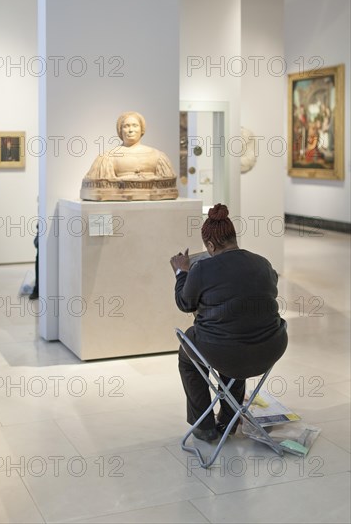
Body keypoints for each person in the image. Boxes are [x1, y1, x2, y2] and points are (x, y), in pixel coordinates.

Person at [170, 203, 288, 442]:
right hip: (269, 349)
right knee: (236, 334)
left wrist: (182, 272)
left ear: (210, 246)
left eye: (208, 248)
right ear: (234, 237)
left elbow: (185, 304)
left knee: (191, 353)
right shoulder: (263, 263)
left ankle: (204, 425)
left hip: (227, 354)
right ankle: (229, 420)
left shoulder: (201, 268)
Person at [80, 111, 178, 201]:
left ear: (142, 129)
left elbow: (169, 181)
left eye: (135, 125)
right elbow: (93, 186)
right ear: (120, 130)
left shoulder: (157, 155)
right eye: (126, 126)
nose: (130, 130)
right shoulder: (107, 157)